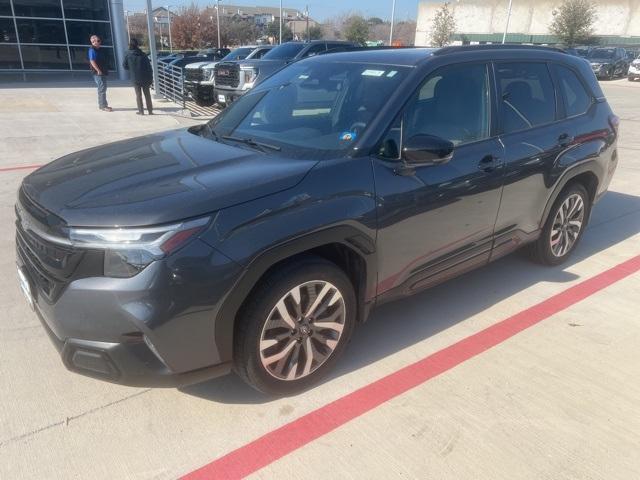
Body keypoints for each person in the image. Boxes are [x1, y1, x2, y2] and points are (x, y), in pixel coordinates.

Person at [122, 38, 154, 115]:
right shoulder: (143, 54)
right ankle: (150, 110)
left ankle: (141, 111)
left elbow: (124, 66)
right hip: (145, 77)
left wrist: (132, 69)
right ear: (137, 45)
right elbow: (149, 67)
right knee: (147, 95)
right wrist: (151, 78)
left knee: (138, 95)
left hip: (135, 78)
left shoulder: (128, 55)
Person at [88, 35, 112, 112]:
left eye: (98, 41)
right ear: (92, 42)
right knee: (102, 88)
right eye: (95, 41)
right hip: (98, 72)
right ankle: (103, 106)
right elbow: (92, 61)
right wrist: (98, 70)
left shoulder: (100, 49)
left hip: (103, 71)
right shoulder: (92, 50)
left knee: (103, 88)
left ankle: (104, 104)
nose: (97, 42)